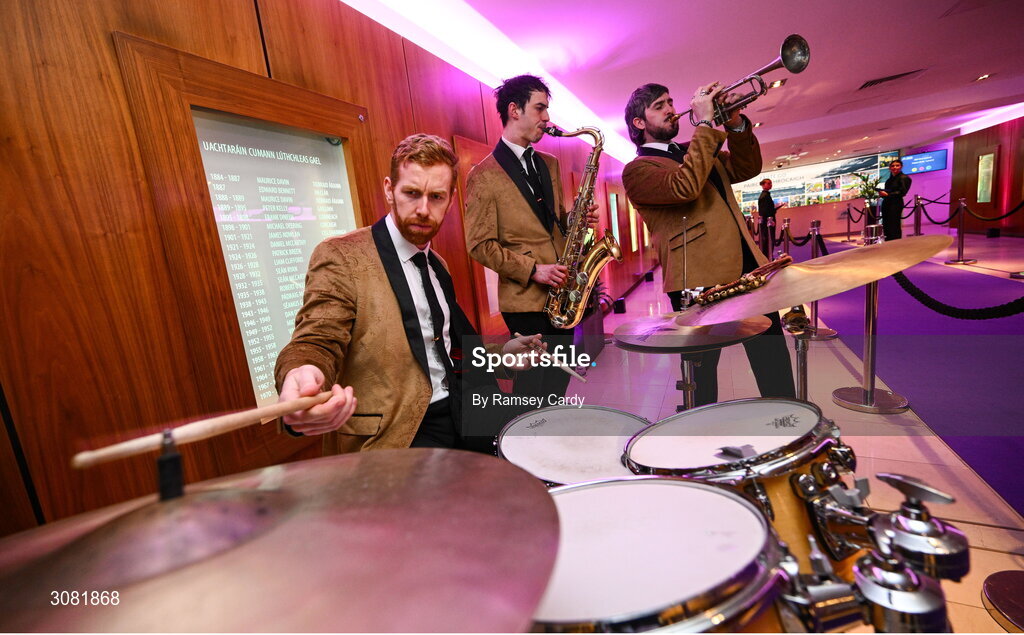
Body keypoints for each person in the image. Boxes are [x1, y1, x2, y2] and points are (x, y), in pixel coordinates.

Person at [275, 133, 544, 454]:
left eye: (436, 197)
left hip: (458, 407)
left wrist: (504, 352)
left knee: (535, 443)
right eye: (411, 193)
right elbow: (317, 340)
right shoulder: (341, 256)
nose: (423, 209)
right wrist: (302, 373)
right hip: (398, 430)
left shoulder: (438, 264)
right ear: (389, 189)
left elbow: (446, 347)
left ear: (451, 198)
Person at [621, 82, 795, 406]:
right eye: (660, 106)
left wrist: (734, 122)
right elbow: (684, 187)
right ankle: (701, 439)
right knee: (701, 374)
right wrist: (703, 125)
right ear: (639, 123)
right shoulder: (637, 170)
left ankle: (789, 423)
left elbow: (746, 167)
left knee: (773, 358)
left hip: (749, 269)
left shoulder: (696, 149)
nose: (671, 109)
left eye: (671, 101)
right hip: (697, 279)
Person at [464, 74, 596, 402]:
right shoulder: (483, 176)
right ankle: (524, 448)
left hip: (562, 292)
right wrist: (534, 269)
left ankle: (549, 444)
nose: (547, 118)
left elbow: (548, 224)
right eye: (540, 109)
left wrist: (574, 220)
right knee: (533, 389)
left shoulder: (549, 164)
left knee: (559, 383)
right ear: (514, 110)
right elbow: (479, 245)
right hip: (525, 299)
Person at [879, 159, 911, 240]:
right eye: (893, 166)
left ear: (901, 167)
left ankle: (895, 242)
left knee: (894, 224)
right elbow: (888, 192)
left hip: (895, 204)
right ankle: (888, 241)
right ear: (890, 168)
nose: (895, 167)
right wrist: (882, 194)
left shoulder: (904, 178)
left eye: (897, 165)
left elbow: (902, 192)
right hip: (887, 203)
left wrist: (888, 194)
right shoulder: (889, 180)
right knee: (886, 224)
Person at [757, 178, 786, 257]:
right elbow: (764, 211)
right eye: (768, 183)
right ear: (763, 185)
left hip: (768, 221)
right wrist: (770, 220)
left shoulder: (765, 195)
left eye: (771, 183)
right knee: (768, 239)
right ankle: (768, 256)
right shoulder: (764, 196)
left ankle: (769, 256)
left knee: (768, 240)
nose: (770, 185)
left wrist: (776, 207)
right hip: (768, 223)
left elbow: (767, 209)